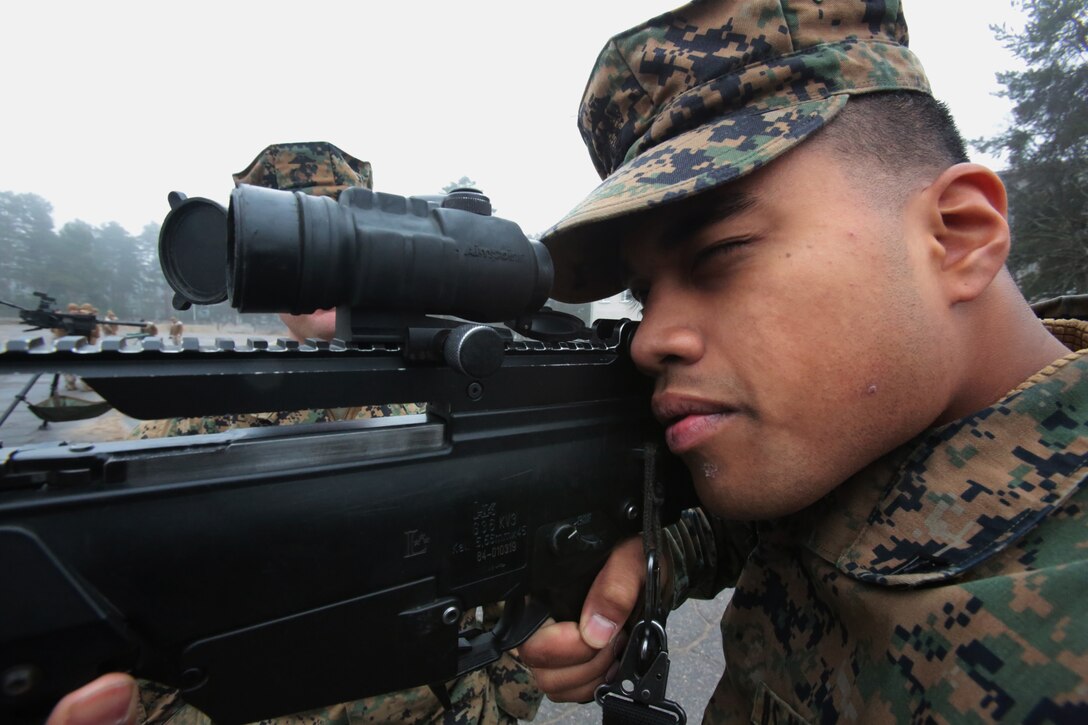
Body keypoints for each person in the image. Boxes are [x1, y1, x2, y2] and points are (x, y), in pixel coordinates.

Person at [515, 1, 1088, 722]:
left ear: (957, 237)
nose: (647, 338)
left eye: (718, 253)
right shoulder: (861, 432)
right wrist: (653, 563)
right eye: (644, 292)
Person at [46, 142, 542, 725]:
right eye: (302, 240)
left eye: (348, 231)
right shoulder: (183, 431)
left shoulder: (458, 391)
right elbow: (127, 650)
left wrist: (504, 701)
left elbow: (514, 567)